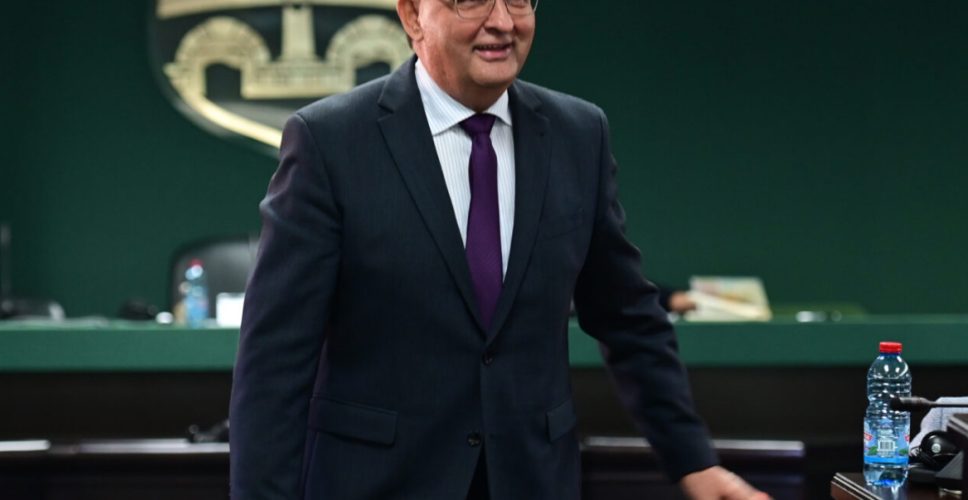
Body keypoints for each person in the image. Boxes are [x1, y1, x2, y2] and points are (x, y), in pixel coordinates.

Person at [230, 0, 770, 498]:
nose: (503, 22)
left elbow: (628, 318)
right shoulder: (330, 141)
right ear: (413, 15)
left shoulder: (579, 135)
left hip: (533, 480)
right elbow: (274, 361)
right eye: (471, 0)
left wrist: (693, 460)